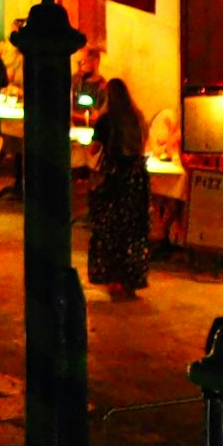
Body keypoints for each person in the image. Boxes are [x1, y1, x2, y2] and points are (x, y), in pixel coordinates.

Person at [87, 77, 152, 300]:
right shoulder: (137, 117)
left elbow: (94, 150)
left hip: (115, 180)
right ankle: (131, 279)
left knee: (111, 230)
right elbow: (145, 144)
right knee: (132, 231)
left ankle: (114, 280)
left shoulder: (106, 121)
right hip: (137, 179)